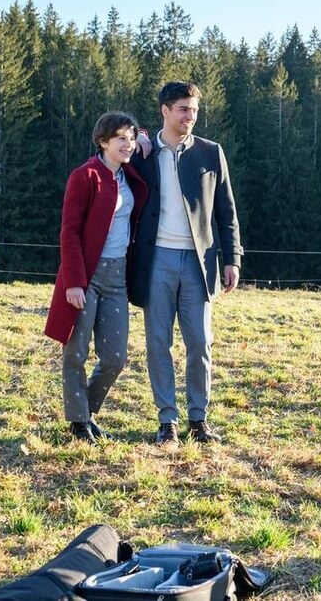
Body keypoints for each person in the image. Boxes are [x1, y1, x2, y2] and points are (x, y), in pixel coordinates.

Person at [129, 81, 243, 446]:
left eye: (193, 109)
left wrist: (233, 259)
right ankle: (168, 421)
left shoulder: (211, 152)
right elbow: (106, 140)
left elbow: (227, 210)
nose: (189, 116)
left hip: (200, 262)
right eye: (182, 109)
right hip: (156, 259)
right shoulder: (142, 152)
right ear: (165, 110)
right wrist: (139, 133)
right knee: (158, 342)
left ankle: (199, 419)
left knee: (200, 342)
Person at [44, 111, 148, 444]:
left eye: (130, 139)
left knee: (116, 357)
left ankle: (83, 412)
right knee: (75, 353)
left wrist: (141, 136)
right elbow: (69, 232)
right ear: (102, 141)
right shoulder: (85, 175)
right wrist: (74, 282)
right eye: (121, 139)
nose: (128, 145)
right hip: (86, 275)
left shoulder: (128, 173)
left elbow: (146, 142)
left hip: (118, 276)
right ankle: (78, 424)